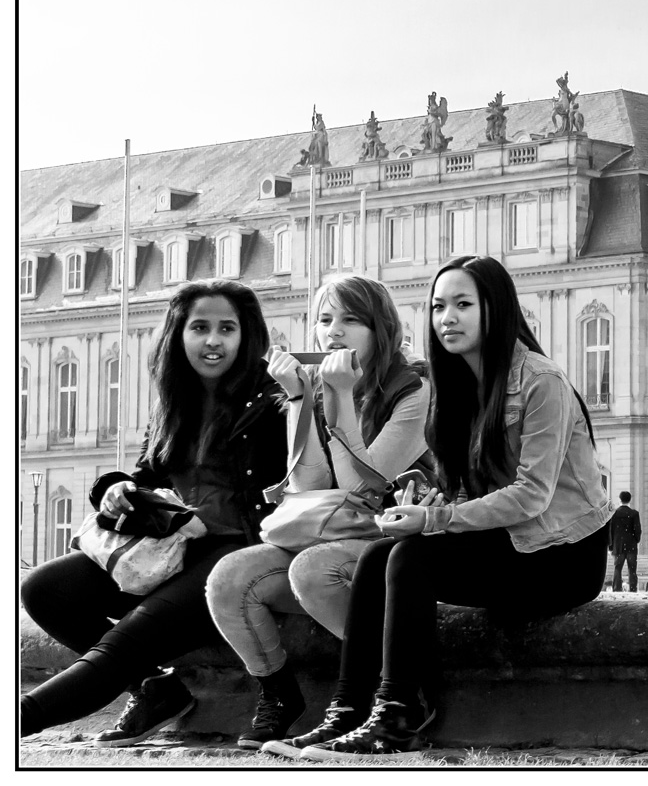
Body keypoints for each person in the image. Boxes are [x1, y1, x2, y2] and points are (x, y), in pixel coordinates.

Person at [277, 255, 615, 762]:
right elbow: (468, 492)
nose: (447, 318)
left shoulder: (542, 381)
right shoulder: (452, 386)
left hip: (564, 555)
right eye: (438, 306)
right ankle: (347, 711)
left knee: (412, 557)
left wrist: (437, 521)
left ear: (495, 310)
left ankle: (398, 717)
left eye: (463, 305)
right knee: (379, 557)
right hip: (509, 545)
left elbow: (532, 496)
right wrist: (430, 502)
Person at [21, 280, 287, 745]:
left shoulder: (272, 397)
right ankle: (155, 689)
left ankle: (21, 719)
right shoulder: (174, 399)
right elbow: (150, 476)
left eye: (228, 328)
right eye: (200, 327)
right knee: (44, 589)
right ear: (178, 334)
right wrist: (115, 487)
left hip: (236, 549)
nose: (213, 340)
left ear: (246, 335)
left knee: (126, 639)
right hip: (171, 543)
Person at [206, 274, 431, 750]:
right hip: (333, 528)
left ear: (381, 328)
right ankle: (278, 694)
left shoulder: (414, 388)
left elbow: (360, 484)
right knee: (229, 578)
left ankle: (393, 691)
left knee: (315, 569)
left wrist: (341, 397)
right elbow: (308, 484)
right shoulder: (316, 381)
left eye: (351, 320)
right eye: (325, 319)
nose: (334, 331)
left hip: (393, 538)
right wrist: (298, 398)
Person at [608, 492, 642, 592]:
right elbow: (637, 530)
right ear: (629, 500)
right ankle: (632, 588)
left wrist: (611, 546)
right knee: (632, 569)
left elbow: (611, 531)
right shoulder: (634, 514)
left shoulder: (614, 513)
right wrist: (636, 540)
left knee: (618, 568)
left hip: (618, 545)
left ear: (620, 499)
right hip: (631, 545)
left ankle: (617, 588)